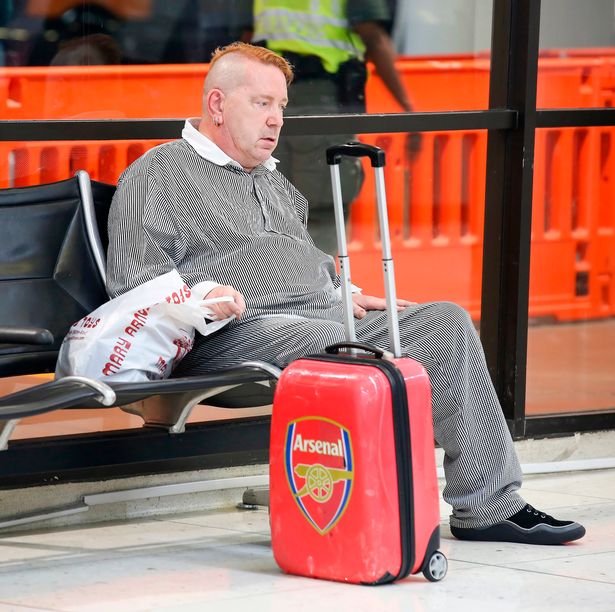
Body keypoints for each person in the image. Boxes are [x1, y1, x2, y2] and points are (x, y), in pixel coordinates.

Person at [106, 42, 585, 545]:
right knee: (342, 342)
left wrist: (345, 289)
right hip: (228, 333)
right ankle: (370, 506)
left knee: (445, 323)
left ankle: (490, 506)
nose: (276, 121)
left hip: (314, 318)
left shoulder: (273, 184)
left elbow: (303, 261)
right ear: (218, 105)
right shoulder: (159, 172)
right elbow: (133, 281)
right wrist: (206, 296)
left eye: (282, 107)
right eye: (262, 104)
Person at [246, 0, 418, 255]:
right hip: (323, 103)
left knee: (271, 211)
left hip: (270, 101)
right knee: (324, 211)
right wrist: (410, 109)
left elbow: (246, 36)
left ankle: (272, 288)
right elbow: (372, 35)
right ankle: (312, 293)